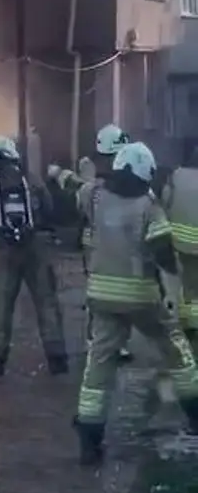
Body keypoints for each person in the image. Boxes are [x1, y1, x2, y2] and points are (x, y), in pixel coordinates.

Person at [74, 141, 198, 466]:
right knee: (175, 348)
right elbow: (163, 253)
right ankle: (196, 414)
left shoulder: (95, 196)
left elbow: (79, 193)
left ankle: (89, 438)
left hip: (101, 295)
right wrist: (171, 289)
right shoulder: (149, 206)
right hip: (142, 297)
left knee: (98, 365)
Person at [0, 135, 68, 378]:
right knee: (46, 302)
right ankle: (57, 358)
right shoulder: (30, 179)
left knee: (1, 305)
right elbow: (50, 208)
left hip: (4, 248)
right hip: (37, 245)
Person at [49, 124, 132, 362]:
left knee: (120, 292)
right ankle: (96, 341)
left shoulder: (100, 186)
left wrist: (58, 173)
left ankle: (114, 342)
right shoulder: (95, 188)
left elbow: (75, 186)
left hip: (113, 246)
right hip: (97, 247)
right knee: (100, 294)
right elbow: (78, 189)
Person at [159, 145, 198, 362]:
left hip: (182, 244)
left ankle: (188, 325)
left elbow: (165, 203)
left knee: (188, 287)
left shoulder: (176, 176)